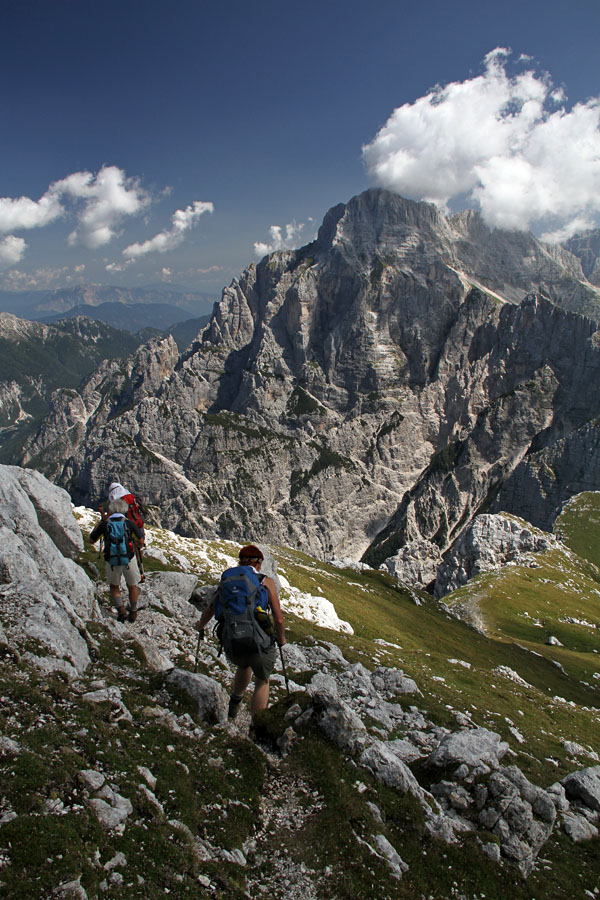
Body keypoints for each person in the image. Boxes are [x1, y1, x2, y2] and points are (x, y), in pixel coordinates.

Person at [196, 544, 286, 725]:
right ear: (259, 563)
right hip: (259, 640)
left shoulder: (228, 581)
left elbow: (212, 608)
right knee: (262, 680)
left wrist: (200, 625)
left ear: (240, 561)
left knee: (244, 665)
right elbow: (278, 619)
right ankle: (256, 726)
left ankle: (233, 707)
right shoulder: (265, 581)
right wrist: (281, 638)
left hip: (233, 640)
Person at [89, 498, 145, 623]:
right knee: (132, 586)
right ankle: (133, 612)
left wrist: (99, 526)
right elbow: (141, 541)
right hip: (129, 558)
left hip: (111, 560)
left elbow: (91, 540)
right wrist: (136, 544)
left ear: (111, 510)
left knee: (114, 586)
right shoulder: (129, 523)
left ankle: (121, 611)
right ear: (124, 510)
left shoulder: (105, 524)